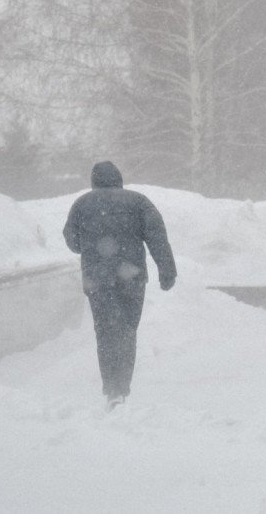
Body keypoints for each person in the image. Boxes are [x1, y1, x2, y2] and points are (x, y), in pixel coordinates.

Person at [63, 161, 176, 410]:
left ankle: (111, 390)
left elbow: (72, 242)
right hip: (131, 278)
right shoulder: (138, 202)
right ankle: (121, 389)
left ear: (94, 181)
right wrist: (167, 271)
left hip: (97, 280)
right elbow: (157, 237)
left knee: (105, 332)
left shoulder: (82, 204)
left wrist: (93, 243)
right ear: (119, 179)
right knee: (126, 331)